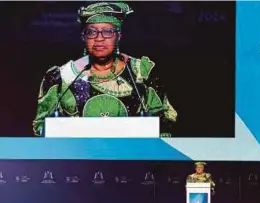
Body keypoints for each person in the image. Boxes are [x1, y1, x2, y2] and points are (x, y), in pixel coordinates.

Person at [32, 2, 177, 137]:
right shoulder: (61, 77)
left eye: (107, 32)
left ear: (118, 36)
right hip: (76, 159)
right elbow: (41, 127)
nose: (99, 38)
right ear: (84, 37)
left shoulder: (140, 72)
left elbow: (165, 119)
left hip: (134, 158)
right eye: (91, 32)